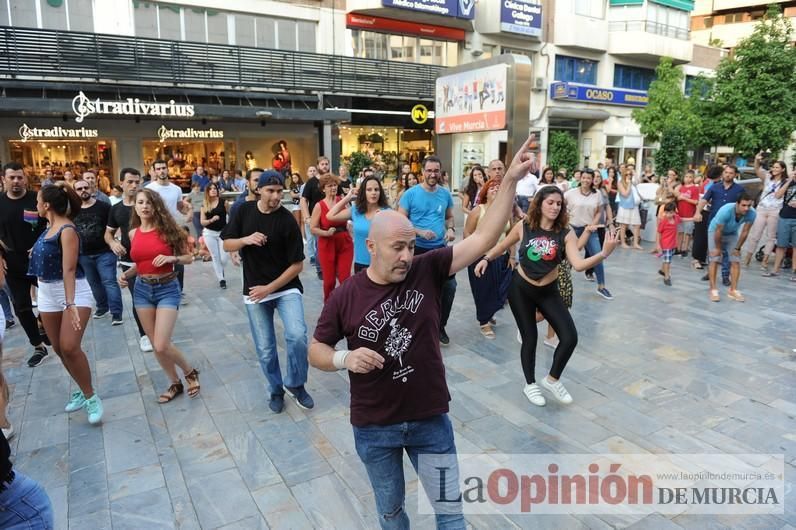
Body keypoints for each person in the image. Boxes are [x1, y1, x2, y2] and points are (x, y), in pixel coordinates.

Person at [308, 135, 539, 530]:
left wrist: (512, 181)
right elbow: (316, 348)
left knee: (450, 512)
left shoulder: (427, 269)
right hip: (374, 425)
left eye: (411, 247)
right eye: (397, 248)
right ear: (371, 246)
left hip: (429, 418)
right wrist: (344, 358)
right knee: (392, 511)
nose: (406, 257)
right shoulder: (347, 295)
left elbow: (483, 238)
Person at [478, 185, 618, 407]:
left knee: (570, 337)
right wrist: (486, 258)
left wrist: (603, 253)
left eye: (559, 203)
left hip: (549, 291)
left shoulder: (565, 232)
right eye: (550, 202)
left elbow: (579, 265)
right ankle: (530, 384)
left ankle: (552, 379)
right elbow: (504, 245)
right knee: (529, 337)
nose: (555, 207)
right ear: (540, 204)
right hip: (521, 288)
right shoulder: (524, 226)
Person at [221, 171, 313, 414]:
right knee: (265, 347)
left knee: (297, 336)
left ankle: (296, 384)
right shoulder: (243, 211)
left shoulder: (286, 221)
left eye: (278, 191)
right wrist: (246, 240)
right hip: (254, 290)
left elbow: (297, 265)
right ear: (259, 190)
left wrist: (270, 288)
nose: (275, 195)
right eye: (270, 190)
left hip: (285, 289)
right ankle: (275, 389)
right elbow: (227, 243)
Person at [30, 183, 104, 424]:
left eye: (38, 201)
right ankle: (82, 391)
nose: (36, 205)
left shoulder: (67, 229)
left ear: (47, 205)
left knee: (70, 346)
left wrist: (70, 303)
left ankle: (92, 397)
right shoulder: (48, 226)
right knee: (59, 348)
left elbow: (69, 269)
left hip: (73, 292)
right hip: (47, 293)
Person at [119, 189, 200, 402]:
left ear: (156, 206)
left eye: (149, 203)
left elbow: (189, 258)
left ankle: (189, 371)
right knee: (155, 343)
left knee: (162, 343)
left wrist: (170, 259)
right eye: (140, 202)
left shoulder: (168, 229)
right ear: (135, 206)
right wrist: (127, 274)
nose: (145, 206)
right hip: (142, 289)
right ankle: (175, 382)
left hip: (167, 288)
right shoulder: (133, 233)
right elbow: (141, 263)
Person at [398, 156, 457, 346]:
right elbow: (400, 221)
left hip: (440, 248)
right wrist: (419, 231)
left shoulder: (445, 194)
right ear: (422, 172)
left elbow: (449, 217)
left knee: (449, 287)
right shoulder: (410, 194)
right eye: (429, 170)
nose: (433, 174)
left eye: (436, 171)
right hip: (417, 250)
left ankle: (440, 326)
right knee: (417, 290)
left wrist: (450, 229)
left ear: (440, 172)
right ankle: (415, 328)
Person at [0, 163, 50, 367]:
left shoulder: (36, 199)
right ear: (4, 179)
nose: (16, 181)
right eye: (12, 177)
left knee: (55, 300)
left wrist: (41, 243)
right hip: (13, 263)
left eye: (19, 177)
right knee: (21, 307)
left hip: (40, 260)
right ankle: (38, 346)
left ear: (25, 179)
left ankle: (43, 322)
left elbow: (52, 223)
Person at [106, 168, 152, 352]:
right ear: (121, 183)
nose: (134, 185)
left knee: (155, 296)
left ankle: (156, 328)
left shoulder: (147, 204)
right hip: (129, 261)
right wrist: (112, 244)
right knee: (138, 298)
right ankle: (144, 334)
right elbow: (108, 233)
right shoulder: (116, 209)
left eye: (137, 181)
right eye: (130, 182)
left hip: (151, 259)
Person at [465, 178, 514, 338]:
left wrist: (512, 255)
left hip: (501, 257)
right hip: (480, 257)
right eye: (492, 187)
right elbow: (467, 233)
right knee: (483, 290)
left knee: (501, 288)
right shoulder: (478, 211)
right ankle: (484, 322)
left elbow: (511, 235)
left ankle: (490, 311)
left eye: (499, 188)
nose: (496, 189)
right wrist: (475, 253)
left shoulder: (507, 211)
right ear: (485, 191)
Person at [73, 179, 124, 325]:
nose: (83, 190)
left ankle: (116, 313)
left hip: (105, 252)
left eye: (85, 187)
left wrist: (116, 241)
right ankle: (102, 307)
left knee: (109, 282)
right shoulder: (72, 210)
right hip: (84, 254)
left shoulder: (103, 206)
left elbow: (113, 226)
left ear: (91, 189)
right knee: (94, 283)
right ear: (75, 192)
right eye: (79, 188)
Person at [564, 170, 614, 299]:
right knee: (568, 259)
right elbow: (561, 207)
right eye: (584, 177)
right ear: (580, 178)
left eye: (589, 178)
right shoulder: (570, 193)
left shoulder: (597, 194)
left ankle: (602, 286)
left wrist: (593, 224)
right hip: (572, 229)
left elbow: (599, 211)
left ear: (592, 180)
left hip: (590, 230)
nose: (586, 180)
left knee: (598, 255)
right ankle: (561, 284)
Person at [326, 174, 390, 273]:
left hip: (382, 263)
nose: (373, 193)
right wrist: (348, 197)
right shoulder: (356, 211)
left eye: (376, 190)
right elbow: (330, 216)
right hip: (360, 264)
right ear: (363, 192)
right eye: (369, 190)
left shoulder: (387, 211)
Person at [146, 159, 191, 296]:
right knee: (158, 259)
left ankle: (179, 290)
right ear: (154, 171)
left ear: (167, 169)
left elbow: (179, 207)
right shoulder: (150, 189)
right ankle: (161, 288)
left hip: (174, 228)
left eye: (163, 168)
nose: (161, 171)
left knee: (178, 260)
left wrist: (188, 212)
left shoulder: (176, 189)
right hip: (156, 228)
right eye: (158, 169)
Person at [694, 165, 745, 285]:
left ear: (735, 175)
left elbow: (743, 205)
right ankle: (710, 272)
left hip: (730, 225)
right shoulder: (714, 187)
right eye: (726, 172)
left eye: (731, 173)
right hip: (714, 223)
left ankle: (725, 275)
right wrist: (697, 212)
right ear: (722, 174)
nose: (727, 175)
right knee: (712, 249)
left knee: (727, 251)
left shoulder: (739, 189)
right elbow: (704, 200)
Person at [310, 174, 354, 301]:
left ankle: (345, 305)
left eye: (335, 185)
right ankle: (329, 307)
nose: (333, 188)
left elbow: (350, 215)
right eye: (330, 186)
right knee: (329, 281)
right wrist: (326, 233)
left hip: (344, 242)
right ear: (323, 189)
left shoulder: (342, 200)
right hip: (327, 243)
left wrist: (350, 224)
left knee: (345, 278)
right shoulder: (319, 205)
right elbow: (313, 228)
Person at [707, 194, 756, 302]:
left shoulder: (752, 213)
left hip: (732, 233)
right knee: (714, 259)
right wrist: (718, 249)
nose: (746, 208)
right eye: (743, 205)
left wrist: (737, 248)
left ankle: (733, 290)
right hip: (715, 231)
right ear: (737, 204)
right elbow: (718, 231)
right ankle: (713, 289)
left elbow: (745, 231)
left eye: (749, 205)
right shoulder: (726, 210)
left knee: (735, 260)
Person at [745, 153, 788, 270]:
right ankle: (748, 257)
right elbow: (757, 169)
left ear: (783, 169)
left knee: (771, 237)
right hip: (762, 209)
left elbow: (780, 196)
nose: (774, 169)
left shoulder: (786, 182)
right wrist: (756, 159)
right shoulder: (768, 177)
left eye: (777, 167)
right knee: (755, 234)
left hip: (775, 210)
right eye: (773, 167)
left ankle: (765, 260)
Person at [763, 170, 796, 280]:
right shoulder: (788, 182)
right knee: (781, 245)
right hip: (785, 216)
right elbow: (778, 195)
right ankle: (775, 270)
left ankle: (794, 272)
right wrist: (789, 180)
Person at [200, 182, 229, 289]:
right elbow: (202, 222)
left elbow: (228, 216)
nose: (213, 190)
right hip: (209, 233)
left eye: (215, 188)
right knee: (215, 256)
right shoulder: (205, 204)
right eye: (210, 189)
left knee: (224, 258)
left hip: (222, 233)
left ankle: (221, 270)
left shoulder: (223, 202)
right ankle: (221, 279)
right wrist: (211, 220)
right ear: (207, 191)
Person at [655, 202, 692, 286]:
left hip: (672, 244)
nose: (668, 214)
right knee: (668, 261)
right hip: (665, 244)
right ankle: (667, 277)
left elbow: (683, 219)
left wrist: (692, 218)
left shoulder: (676, 218)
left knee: (667, 258)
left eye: (670, 212)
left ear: (674, 212)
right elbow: (658, 233)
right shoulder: (663, 221)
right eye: (666, 212)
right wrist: (658, 245)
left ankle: (662, 270)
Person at [300, 164, 324, 279]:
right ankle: (320, 269)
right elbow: (303, 200)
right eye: (322, 164)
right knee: (317, 242)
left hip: (329, 217)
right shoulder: (310, 183)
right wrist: (307, 217)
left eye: (326, 164)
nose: (324, 166)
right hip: (315, 217)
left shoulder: (331, 179)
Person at [616, 166, 643, 250]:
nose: (628, 175)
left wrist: (635, 174)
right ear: (623, 175)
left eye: (630, 174)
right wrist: (628, 184)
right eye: (627, 174)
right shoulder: (620, 183)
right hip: (625, 206)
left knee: (637, 224)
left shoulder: (633, 182)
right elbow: (625, 194)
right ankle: (623, 242)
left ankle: (635, 243)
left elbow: (639, 182)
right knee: (624, 224)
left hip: (634, 206)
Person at [675, 170, 700, 259]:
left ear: (693, 178)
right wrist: (679, 197)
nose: (688, 179)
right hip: (680, 214)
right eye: (686, 176)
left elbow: (696, 201)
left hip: (689, 216)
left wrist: (684, 198)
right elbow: (677, 198)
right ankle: (678, 248)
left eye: (690, 177)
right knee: (680, 232)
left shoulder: (695, 188)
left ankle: (684, 249)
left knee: (687, 233)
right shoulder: (681, 187)